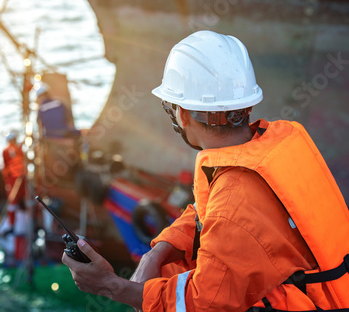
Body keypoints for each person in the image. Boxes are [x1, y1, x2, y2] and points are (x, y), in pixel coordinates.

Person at [62, 31, 349, 311]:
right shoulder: (278, 140)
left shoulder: (235, 198)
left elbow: (205, 304)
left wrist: (110, 286)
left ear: (183, 115)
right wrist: (158, 251)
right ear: (246, 105)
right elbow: (207, 212)